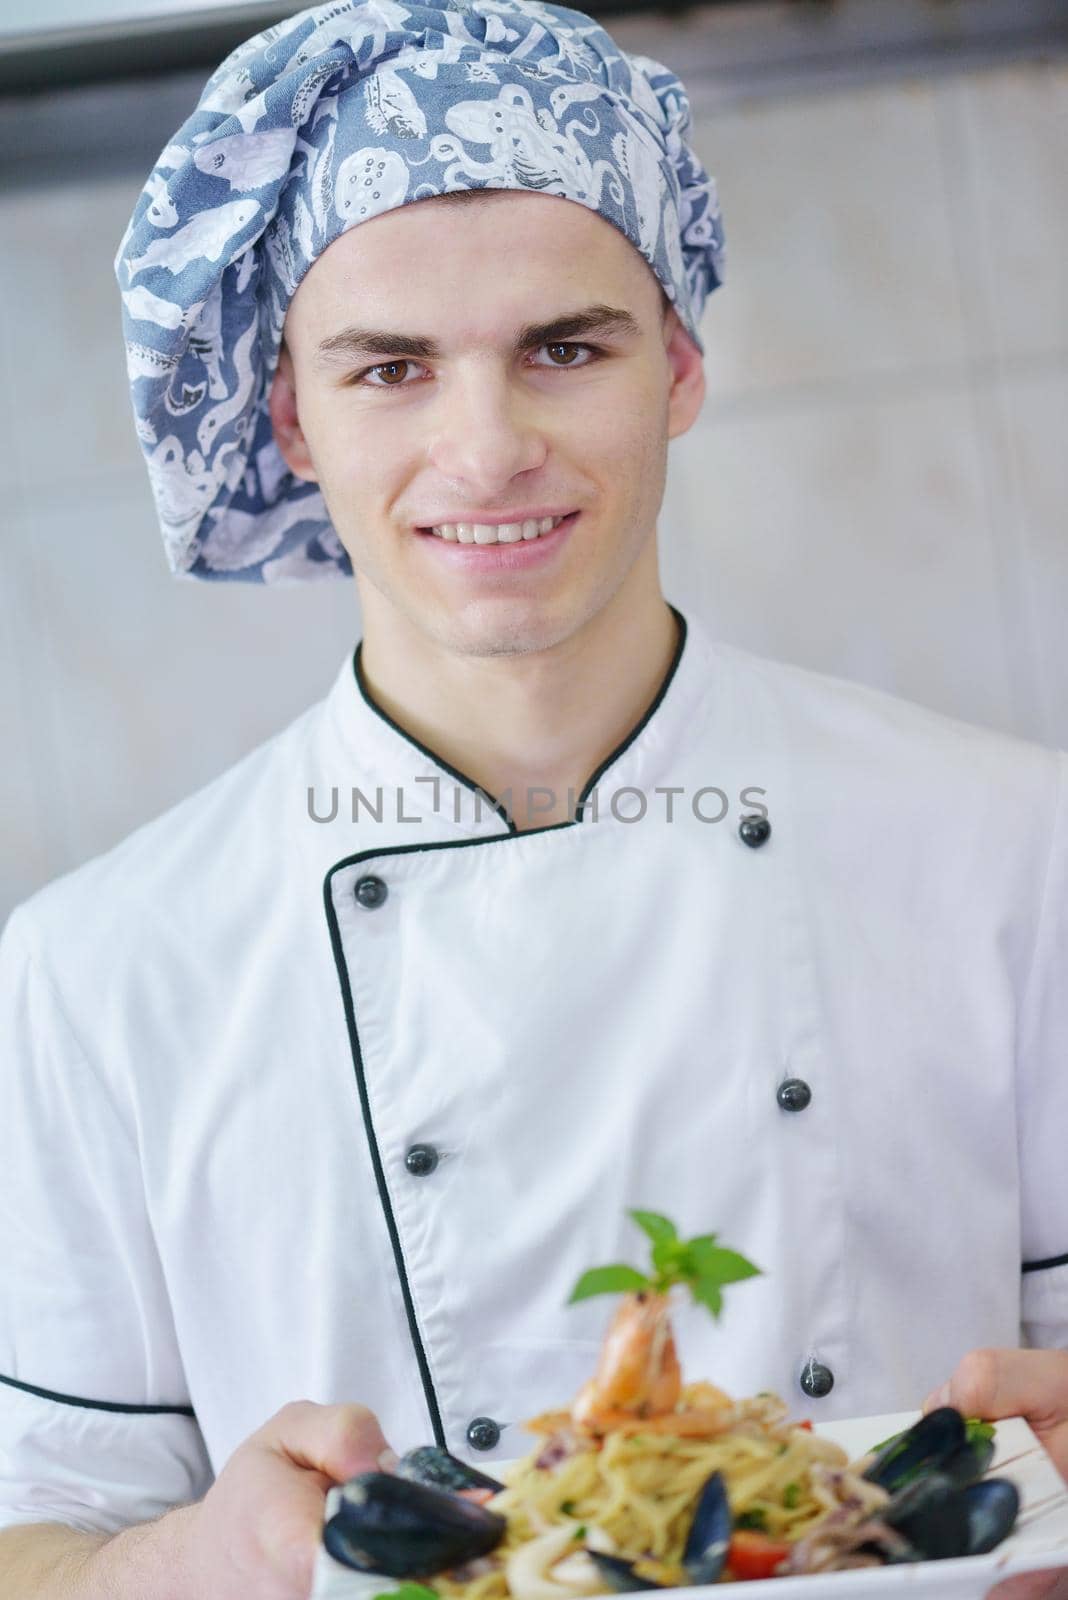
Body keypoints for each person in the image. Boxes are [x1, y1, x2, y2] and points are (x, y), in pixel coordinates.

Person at [1, 2, 1066, 1597]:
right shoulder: (100, 972)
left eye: (565, 349)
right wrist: (196, 1559)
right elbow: (37, 1543)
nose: (485, 449)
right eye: (391, 369)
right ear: (291, 414)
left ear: (682, 368)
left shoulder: (1010, 849)